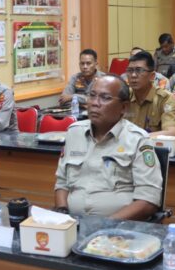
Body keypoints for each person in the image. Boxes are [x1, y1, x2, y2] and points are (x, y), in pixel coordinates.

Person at [53, 75, 163, 220]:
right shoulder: (74, 132)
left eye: (105, 98)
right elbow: (62, 183)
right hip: (73, 222)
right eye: (92, 95)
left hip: (117, 227)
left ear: (124, 107)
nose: (95, 103)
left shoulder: (138, 140)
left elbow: (148, 200)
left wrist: (105, 225)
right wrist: (62, 213)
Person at [125, 51, 175, 137]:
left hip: (153, 145)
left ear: (152, 76)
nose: (133, 75)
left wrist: (138, 138)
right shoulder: (124, 96)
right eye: (130, 70)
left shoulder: (165, 99)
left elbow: (172, 132)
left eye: (139, 70)